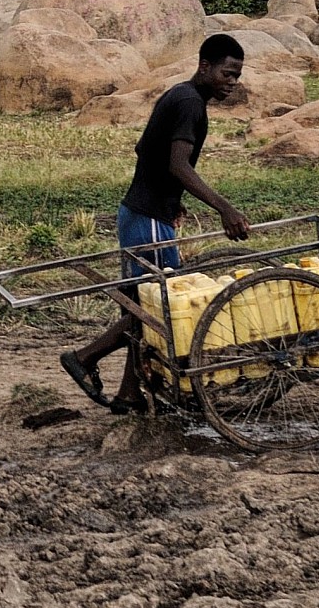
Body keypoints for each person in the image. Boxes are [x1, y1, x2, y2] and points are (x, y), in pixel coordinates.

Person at [60, 33, 252, 412]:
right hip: (146, 219)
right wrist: (225, 209)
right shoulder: (190, 104)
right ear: (205, 67)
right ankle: (84, 358)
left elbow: (145, 149)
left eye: (237, 76)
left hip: (145, 214)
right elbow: (177, 165)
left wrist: (172, 201)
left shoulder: (181, 95)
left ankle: (129, 394)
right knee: (154, 310)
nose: (232, 82)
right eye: (227, 73)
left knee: (143, 306)